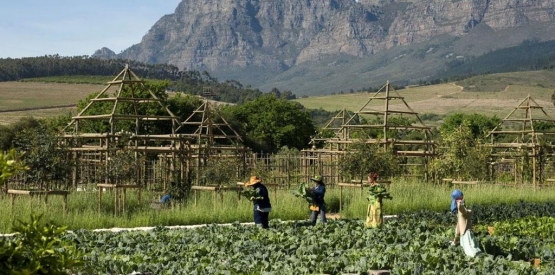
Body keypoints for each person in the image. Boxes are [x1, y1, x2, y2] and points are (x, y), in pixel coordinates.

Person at [450, 189, 482, 257]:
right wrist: (460, 204)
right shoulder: (461, 210)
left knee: (471, 254)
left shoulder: (459, 213)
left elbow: (458, 228)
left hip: (465, 236)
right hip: (467, 236)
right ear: (460, 198)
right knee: (474, 254)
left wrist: (455, 241)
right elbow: (462, 209)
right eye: (462, 197)